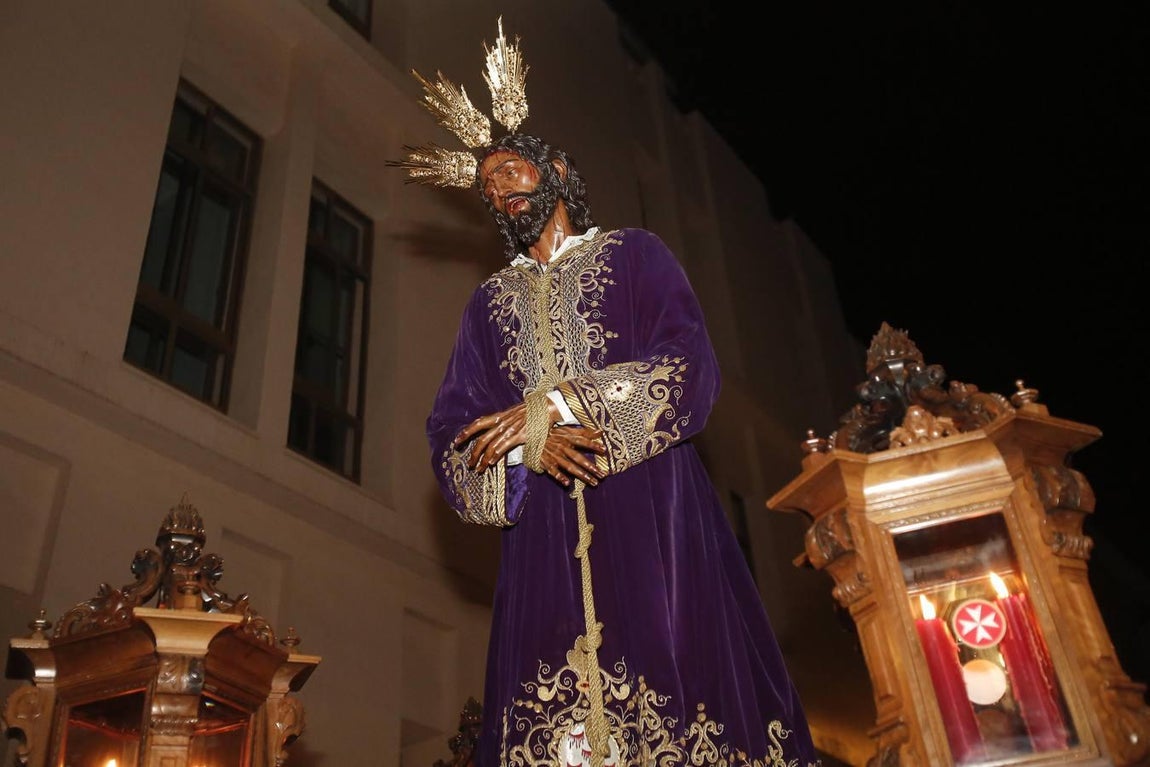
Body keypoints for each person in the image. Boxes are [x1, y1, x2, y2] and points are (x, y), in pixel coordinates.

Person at [398, 21, 821, 767]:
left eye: (511, 172)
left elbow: (690, 368)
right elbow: (453, 432)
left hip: (653, 519)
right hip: (544, 547)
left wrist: (555, 404)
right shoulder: (488, 306)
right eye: (490, 184)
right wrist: (528, 444)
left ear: (556, 168)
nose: (499, 190)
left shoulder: (634, 254)